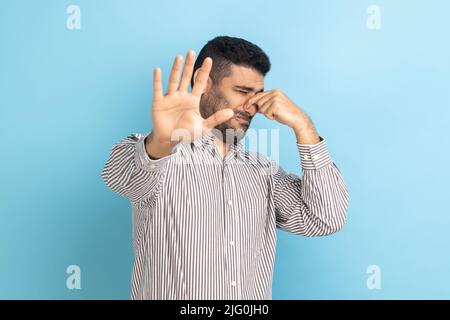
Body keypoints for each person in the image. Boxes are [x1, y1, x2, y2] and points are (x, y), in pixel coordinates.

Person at [102, 36, 349, 300]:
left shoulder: (263, 171)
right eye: (242, 92)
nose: (252, 106)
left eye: (258, 95)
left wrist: (304, 127)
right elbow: (120, 177)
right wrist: (163, 141)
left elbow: (326, 218)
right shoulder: (161, 156)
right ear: (205, 84)